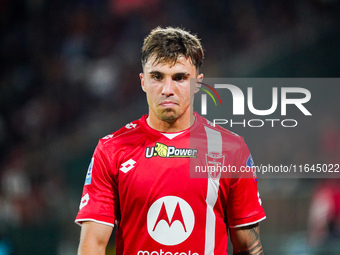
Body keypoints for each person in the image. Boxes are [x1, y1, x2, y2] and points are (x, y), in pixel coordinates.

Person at [75, 26, 266, 255]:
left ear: (197, 83)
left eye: (179, 78)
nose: (167, 89)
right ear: (143, 81)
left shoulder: (231, 149)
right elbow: (92, 245)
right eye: (157, 77)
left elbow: (248, 245)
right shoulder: (112, 149)